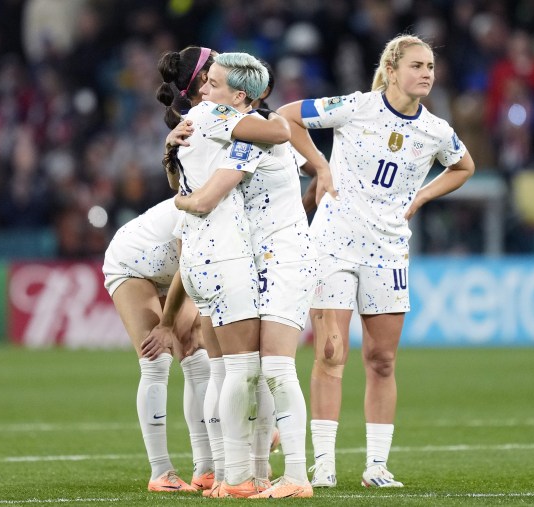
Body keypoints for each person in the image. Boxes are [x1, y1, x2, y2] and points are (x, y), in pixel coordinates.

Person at [278, 33, 476, 488]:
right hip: (333, 243)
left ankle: (377, 467)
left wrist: (425, 194)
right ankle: (323, 464)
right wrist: (320, 167)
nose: (427, 73)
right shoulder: (356, 107)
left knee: (382, 359)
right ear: (391, 71)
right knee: (330, 351)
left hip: (388, 251)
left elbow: (464, 166)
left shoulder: (436, 131)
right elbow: (288, 117)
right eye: (417, 65)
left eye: (430, 66)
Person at [171, 60, 317, 499]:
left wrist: (182, 201)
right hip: (260, 258)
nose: (203, 92)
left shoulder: (246, 131)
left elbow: (209, 196)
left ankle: (294, 475)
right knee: (250, 369)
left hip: (286, 256)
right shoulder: (239, 128)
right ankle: (254, 473)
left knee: (272, 366)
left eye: (213, 85)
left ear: (239, 98)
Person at [101, 46, 216, 494]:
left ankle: (206, 467)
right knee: (157, 356)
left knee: (198, 354)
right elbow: (191, 249)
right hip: (135, 259)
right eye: (215, 66)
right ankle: (161, 471)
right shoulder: (201, 138)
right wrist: (166, 322)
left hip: (174, 261)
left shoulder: (208, 132)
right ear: (202, 81)